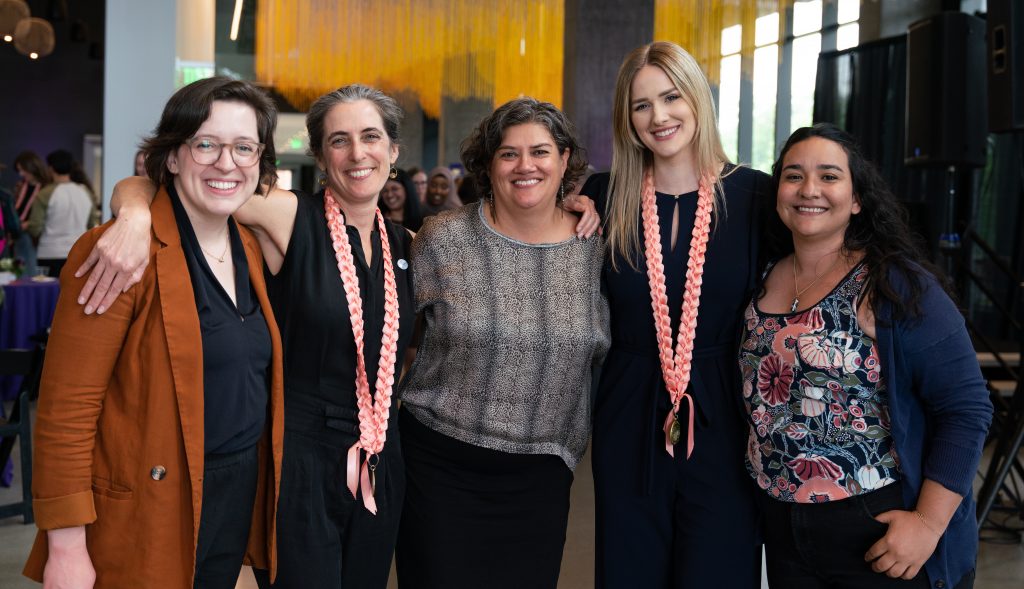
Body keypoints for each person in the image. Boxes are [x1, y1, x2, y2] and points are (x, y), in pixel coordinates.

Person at [77, 83, 600, 588]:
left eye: (371, 137)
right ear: (321, 156)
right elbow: (170, 177)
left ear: (393, 151)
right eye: (339, 140)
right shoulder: (287, 217)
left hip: (382, 458)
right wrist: (132, 211)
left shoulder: (412, 245)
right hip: (301, 460)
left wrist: (577, 209)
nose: (357, 154)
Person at [22, 76, 285, 588]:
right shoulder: (117, 254)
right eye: (205, 144)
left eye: (243, 147)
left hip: (233, 499)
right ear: (171, 157)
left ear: (259, 160)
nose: (226, 163)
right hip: (148, 507)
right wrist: (66, 544)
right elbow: (66, 410)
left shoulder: (251, 248)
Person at [739, 123, 992, 588]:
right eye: (793, 176)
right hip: (781, 529)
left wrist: (928, 525)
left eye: (829, 176)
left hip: (876, 527)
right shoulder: (761, 274)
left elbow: (967, 407)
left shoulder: (894, 285)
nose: (809, 189)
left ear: (857, 199)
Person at [396, 97, 610, 589]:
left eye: (540, 152)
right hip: (437, 467)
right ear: (488, 164)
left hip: (541, 477)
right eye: (508, 153)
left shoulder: (596, 247)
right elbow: (388, 333)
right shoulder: (442, 238)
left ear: (564, 160)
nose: (525, 166)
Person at [579, 41, 770, 587]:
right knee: (629, 564)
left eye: (671, 97)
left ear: (697, 100)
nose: (658, 116)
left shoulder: (755, 195)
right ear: (626, 116)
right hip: (629, 404)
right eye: (641, 105)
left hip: (726, 410)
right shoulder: (604, 194)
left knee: (719, 565)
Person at [27, 150, 95, 277]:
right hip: (79, 253)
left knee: (49, 295)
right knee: (73, 295)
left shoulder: (45, 193)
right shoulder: (85, 191)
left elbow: (35, 228)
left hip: (49, 253)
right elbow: (93, 225)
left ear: (51, 168)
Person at [12, 151, 50, 275]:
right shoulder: (21, 186)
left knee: (29, 270)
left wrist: (28, 223)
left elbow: (46, 215)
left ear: (32, 167)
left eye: (23, 170)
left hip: (34, 235)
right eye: (19, 170)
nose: (21, 174)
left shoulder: (46, 188)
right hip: (17, 233)